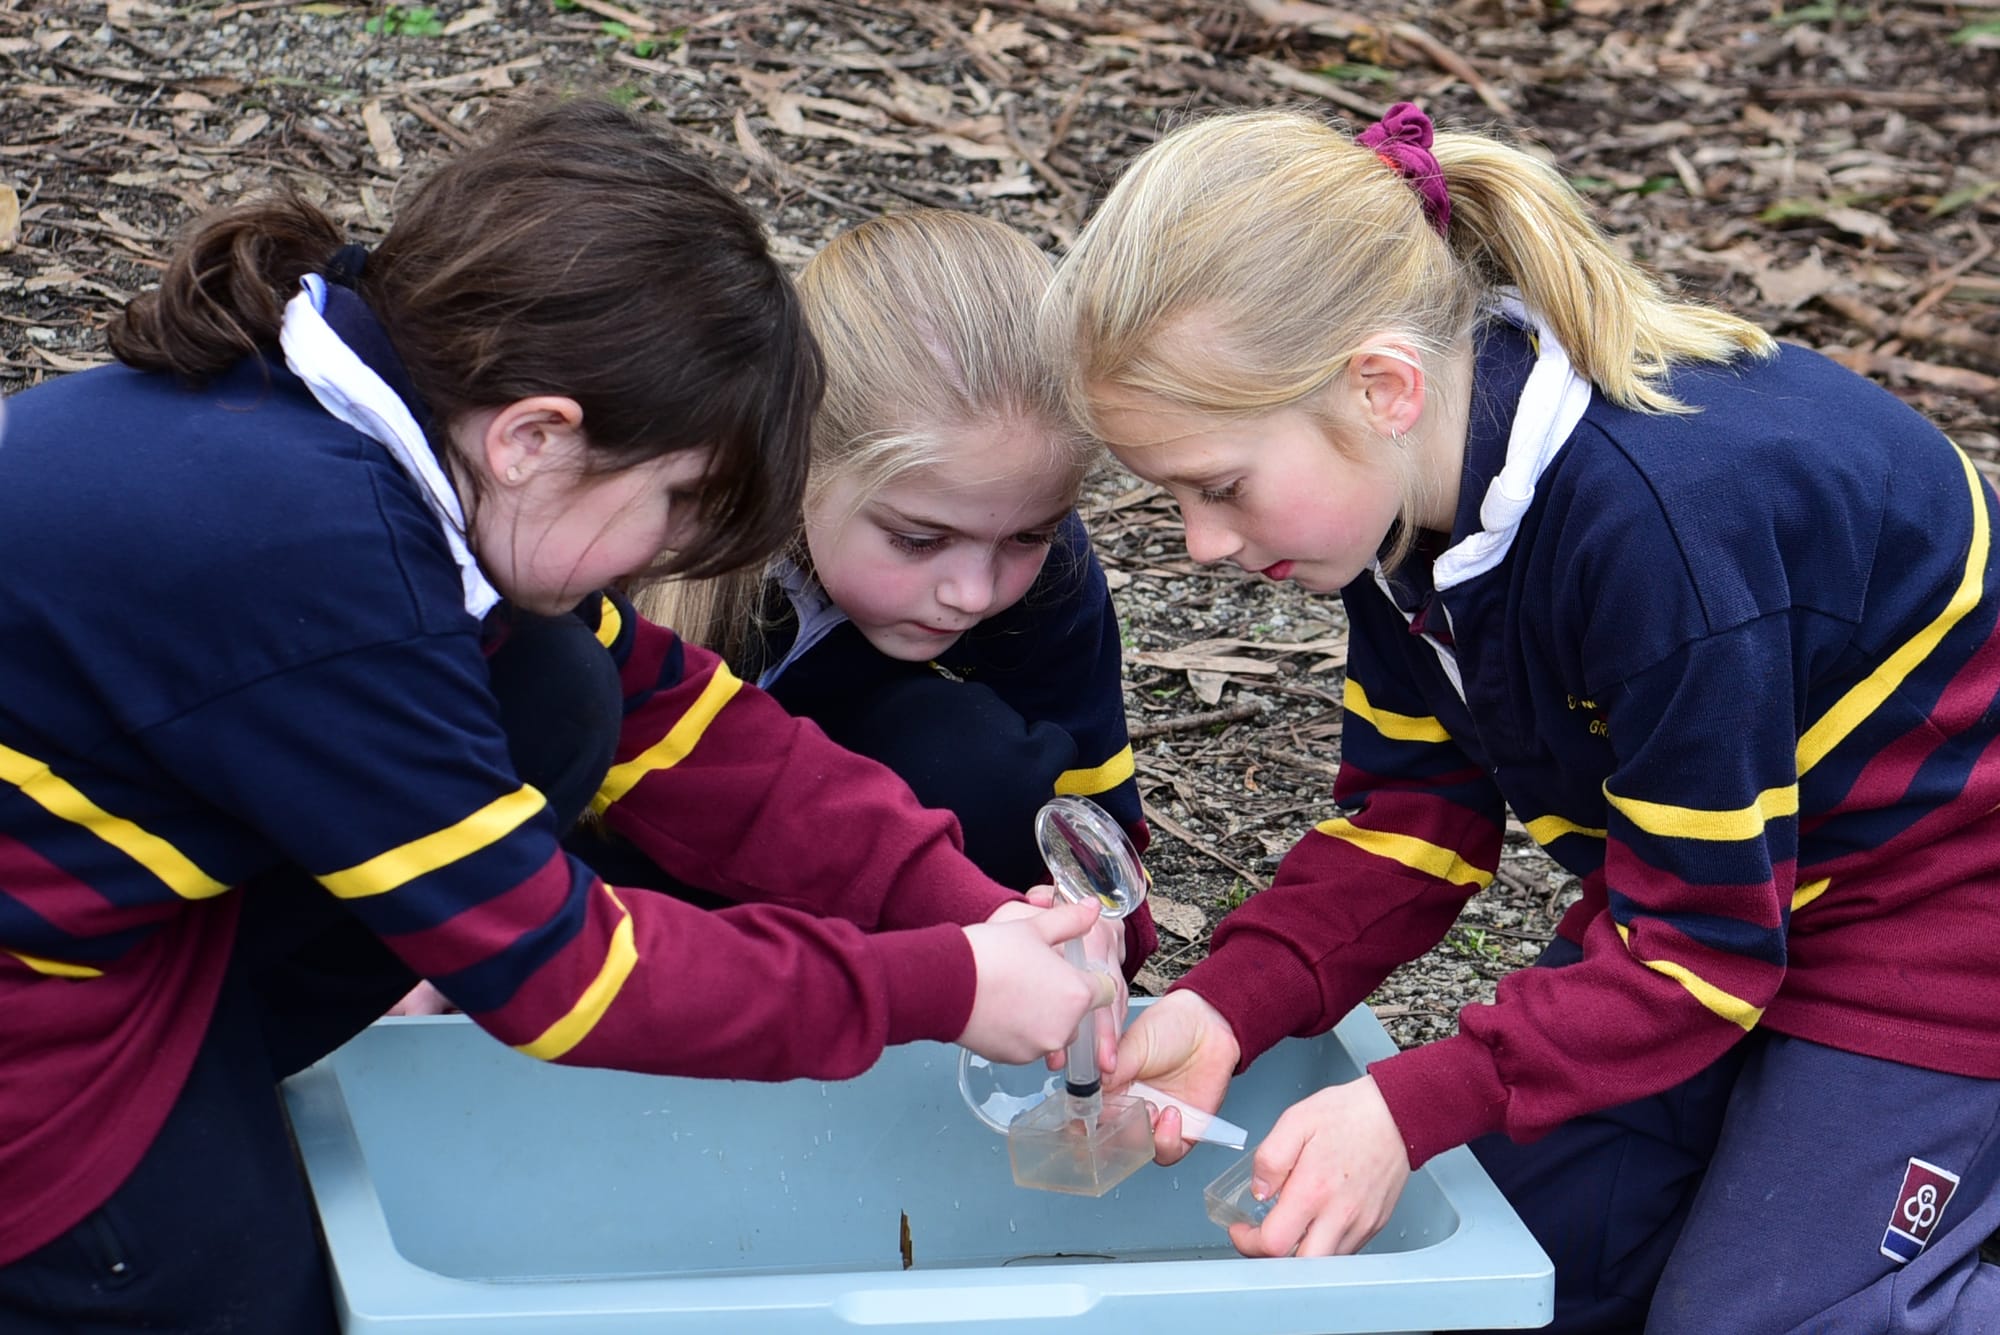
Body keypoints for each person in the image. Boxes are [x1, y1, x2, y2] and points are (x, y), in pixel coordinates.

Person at [0, 98, 1120, 1333]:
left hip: (99, 907)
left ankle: (216, 1079)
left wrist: (963, 909)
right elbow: (562, 977)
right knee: (245, 1296)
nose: (683, 547)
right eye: (679, 498)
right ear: (539, 436)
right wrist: (936, 985)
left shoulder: (347, 417)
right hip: (32, 1050)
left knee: (552, 685)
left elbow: (665, 713)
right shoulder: (334, 582)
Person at [1049, 102, 2000, 1333]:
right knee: (1509, 1279)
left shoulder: (1658, 529)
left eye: (1217, 486)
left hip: (1935, 918)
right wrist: (1225, 1003)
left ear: (1378, 386)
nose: (1200, 542)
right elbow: (1414, 821)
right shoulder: (1407, 501)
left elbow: (1702, 955)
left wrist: (1408, 1102)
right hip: (1723, 885)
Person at [614, 208, 1156, 961]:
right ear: (800, 460)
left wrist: (1094, 928)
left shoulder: (1046, 562)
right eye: (918, 539)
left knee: (979, 766)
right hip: (636, 867)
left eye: (1026, 536)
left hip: (888, 865)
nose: (971, 590)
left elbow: (1093, 817)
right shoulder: (669, 542)